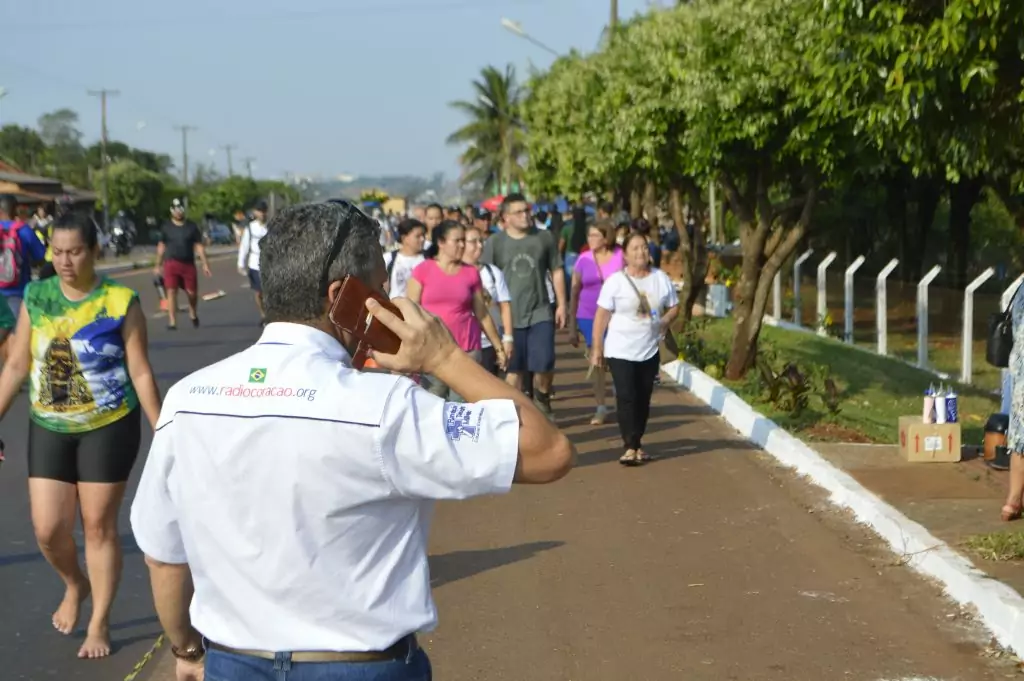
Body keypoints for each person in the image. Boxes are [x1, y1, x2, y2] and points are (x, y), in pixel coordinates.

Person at [130, 200, 574, 681]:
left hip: (234, 663)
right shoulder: (384, 406)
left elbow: (164, 558)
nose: (388, 306)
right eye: (381, 292)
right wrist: (445, 357)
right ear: (341, 295)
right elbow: (547, 451)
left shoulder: (186, 401)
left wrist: (187, 652)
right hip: (358, 667)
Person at [0, 213, 161, 658]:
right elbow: (15, 365)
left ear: (93, 251)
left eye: (75, 252)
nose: (65, 261)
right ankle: (76, 583)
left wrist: (163, 429)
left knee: (97, 526)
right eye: (58, 251)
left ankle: (100, 622)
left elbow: (141, 370)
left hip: (108, 425)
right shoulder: (37, 295)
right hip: (49, 424)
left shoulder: (119, 300)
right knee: (48, 529)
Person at [591, 233, 679, 466]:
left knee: (643, 397)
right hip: (620, 349)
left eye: (644, 248)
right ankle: (630, 446)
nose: (641, 252)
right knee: (626, 395)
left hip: (649, 349)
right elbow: (601, 315)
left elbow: (674, 307)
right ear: (626, 254)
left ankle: (637, 442)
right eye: (635, 248)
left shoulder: (660, 278)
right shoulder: (615, 282)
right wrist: (597, 347)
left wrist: (665, 321)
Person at [482, 193, 566, 416]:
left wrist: (562, 304)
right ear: (506, 217)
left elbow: (556, 270)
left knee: (545, 363)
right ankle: (512, 414)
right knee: (513, 369)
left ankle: (542, 398)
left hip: (540, 311)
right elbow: (485, 277)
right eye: (519, 212)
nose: (525, 215)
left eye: (527, 210)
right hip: (509, 317)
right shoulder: (495, 242)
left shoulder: (544, 237)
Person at [407, 220, 505, 398]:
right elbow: (411, 312)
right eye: (457, 240)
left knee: (460, 405)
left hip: (466, 350)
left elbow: (482, 313)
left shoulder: (471, 273)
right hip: (432, 350)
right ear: (441, 243)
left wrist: (499, 347)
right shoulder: (422, 271)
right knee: (432, 401)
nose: (462, 245)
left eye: (463, 240)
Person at [569, 218, 624, 425]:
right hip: (588, 316)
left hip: (616, 316)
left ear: (606, 237)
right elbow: (574, 292)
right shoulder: (583, 259)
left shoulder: (620, 257)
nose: (590, 239)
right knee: (597, 360)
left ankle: (622, 403)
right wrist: (572, 326)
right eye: (589, 235)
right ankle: (601, 406)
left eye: (595, 235)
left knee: (618, 359)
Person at [154, 198, 211, 330]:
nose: (178, 212)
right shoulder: (166, 227)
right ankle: (172, 321)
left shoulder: (191, 227)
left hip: (188, 264)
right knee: (171, 291)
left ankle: (193, 312)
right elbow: (161, 246)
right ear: (171, 211)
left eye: (180, 209)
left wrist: (205, 264)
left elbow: (199, 246)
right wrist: (158, 265)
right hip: (171, 263)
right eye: (175, 209)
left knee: (191, 293)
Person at [464, 225, 513, 376]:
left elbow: (505, 306)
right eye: (473, 241)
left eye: (481, 241)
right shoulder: (453, 274)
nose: (479, 245)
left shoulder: (493, 272)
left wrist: (508, 338)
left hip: (488, 342)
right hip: (462, 343)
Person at [0, 194, 47, 317]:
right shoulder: (24, 230)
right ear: (16, 210)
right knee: (17, 333)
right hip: (19, 293)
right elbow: (41, 257)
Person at [238, 200, 269, 325]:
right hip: (254, 262)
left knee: (268, 291)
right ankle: (263, 313)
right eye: (260, 211)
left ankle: (270, 314)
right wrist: (241, 263)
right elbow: (244, 246)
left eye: (264, 211)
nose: (262, 214)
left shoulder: (271, 227)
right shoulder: (250, 228)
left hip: (269, 263)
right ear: (255, 212)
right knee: (259, 292)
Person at [383, 219, 426, 298]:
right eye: (418, 236)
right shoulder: (389, 258)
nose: (422, 239)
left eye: (423, 235)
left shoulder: (427, 259)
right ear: (404, 238)